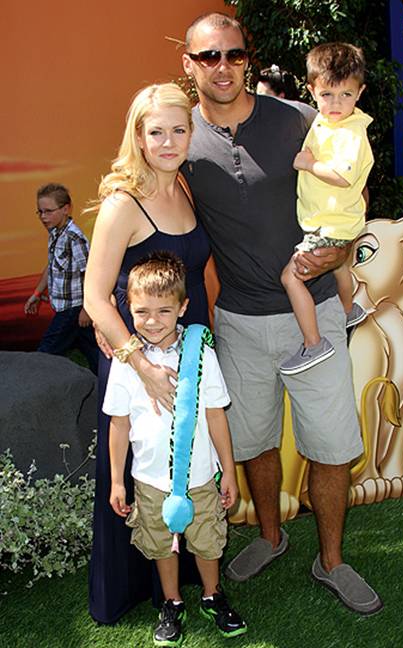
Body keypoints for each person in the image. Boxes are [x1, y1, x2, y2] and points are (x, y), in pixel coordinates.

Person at [181, 12, 383, 615]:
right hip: (239, 321)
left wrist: (340, 253)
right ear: (189, 65)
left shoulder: (299, 118)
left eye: (234, 54)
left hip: (313, 314)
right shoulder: (179, 137)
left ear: (248, 59)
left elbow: (355, 192)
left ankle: (332, 560)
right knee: (254, 442)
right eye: (209, 56)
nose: (223, 66)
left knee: (332, 446)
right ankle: (271, 536)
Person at [84, 83, 211, 624]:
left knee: (188, 457)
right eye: (156, 132)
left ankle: (189, 576)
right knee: (141, 467)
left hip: (189, 345)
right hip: (139, 357)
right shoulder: (123, 203)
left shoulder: (184, 185)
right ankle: (133, 586)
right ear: (138, 136)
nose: (168, 141)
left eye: (179, 130)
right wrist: (140, 364)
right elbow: (95, 296)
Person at [103, 251, 247, 646]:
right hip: (149, 480)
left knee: (207, 540)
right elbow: (119, 424)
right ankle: (171, 602)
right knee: (161, 542)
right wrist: (117, 481)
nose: (152, 321)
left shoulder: (201, 354)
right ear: (128, 310)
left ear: (183, 307)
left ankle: (212, 595)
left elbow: (216, 415)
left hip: (200, 477)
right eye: (142, 312)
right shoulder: (126, 362)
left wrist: (229, 470)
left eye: (164, 311)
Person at [280, 43, 373, 375]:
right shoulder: (328, 121)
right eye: (327, 95)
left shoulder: (351, 134)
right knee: (340, 267)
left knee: (290, 277)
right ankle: (349, 311)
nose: (336, 104)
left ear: (359, 92)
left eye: (346, 95)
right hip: (335, 221)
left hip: (331, 225)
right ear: (312, 91)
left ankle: (313, 342)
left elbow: (343, 175)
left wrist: (309, 164)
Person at [24, 183, 98, 374]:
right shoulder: (55, 233)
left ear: (66, 209)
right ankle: (105, 380)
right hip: (66, 308)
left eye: (48, 211)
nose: (43, 217)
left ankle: (34, 382)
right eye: (40, 212)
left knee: (45, 352)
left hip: (73, 309)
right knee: (94, 352)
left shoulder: (75, 238)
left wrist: (87, 309)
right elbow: (51, 266)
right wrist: (37, 293)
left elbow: (90, 273)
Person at [256, 64, 317, 128]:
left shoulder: (304, 113)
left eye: (263, 97)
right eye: (257, 96)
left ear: (281, 97)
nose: (258, 101)